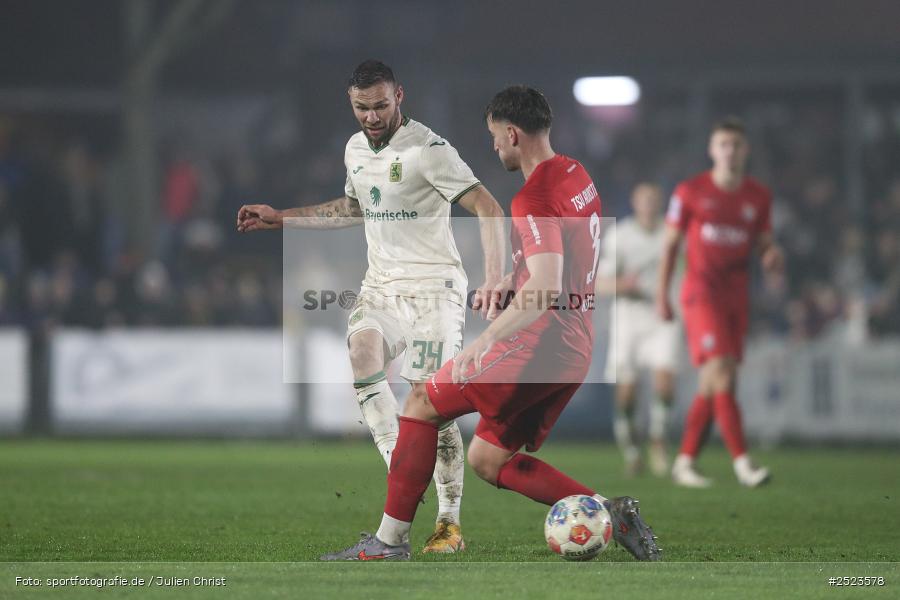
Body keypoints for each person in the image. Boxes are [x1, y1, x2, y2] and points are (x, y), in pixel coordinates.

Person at [320, 85, 660, 562]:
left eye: (495, 136)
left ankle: (389, 542)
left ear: (513, 134)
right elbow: (563, 265)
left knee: (420, 403)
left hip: (537, 346)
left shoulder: (533, 197)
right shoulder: (576, 174)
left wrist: (486, 340)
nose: (494, 146)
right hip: (575, 345)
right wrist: (508, 282)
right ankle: (611, 511)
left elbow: (546, 286)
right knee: (487, 458)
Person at [237, 60, 505, 552]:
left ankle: (449, 522)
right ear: (351, 103)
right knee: (362, 352)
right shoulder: (354, 149)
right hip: (381, 286)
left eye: (381, 105)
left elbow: (488, 207)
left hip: (435, 288)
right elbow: (353, 208)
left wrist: (495, 276)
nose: (372, 116)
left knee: (430, 402)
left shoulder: (430, 150)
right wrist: (282, 218)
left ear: (399, 96)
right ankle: (403, 469)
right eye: (362, 107)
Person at [657, 117, 784, 488]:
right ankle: (743, 463)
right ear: (712, 150)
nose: (730, 151)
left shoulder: (758, 196)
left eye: (736, 145)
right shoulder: (690, 191)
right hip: (701, 292)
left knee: (714, 381)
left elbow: (763, 241)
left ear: (746, 151)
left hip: (736, 295)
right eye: (723, 144)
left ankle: (685, 462)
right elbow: (670, 245)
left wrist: (771, 254)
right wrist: (663, 295)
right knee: (722, 373)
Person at [595, 183, 678, 477]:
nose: (649, 204)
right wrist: (623, 285)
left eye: (654, 199)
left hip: (663, 316)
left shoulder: (673, 233)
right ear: (634, 202)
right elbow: (600, 283)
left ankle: (658, 440)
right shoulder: (621, 235)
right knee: (627, 393)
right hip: (628, 319)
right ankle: (631, 451)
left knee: (665, 382)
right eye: (644, 199)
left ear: (661, 201)